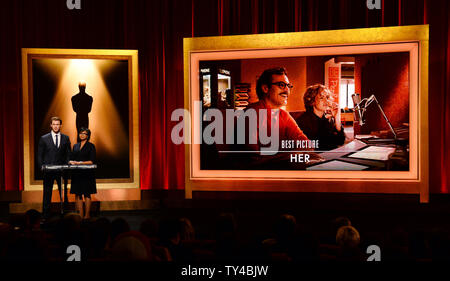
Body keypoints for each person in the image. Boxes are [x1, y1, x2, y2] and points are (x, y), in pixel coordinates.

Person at [37, 117, 71, 220]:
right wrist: (41, 166)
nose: (56, 126)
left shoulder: (65, 138)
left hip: (61, 170)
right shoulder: (44, 138)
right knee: (47, 193)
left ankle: (64, 214)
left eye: (58, 124)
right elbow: (40, 155)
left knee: (63, 193)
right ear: (51, 125)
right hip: (48, 170)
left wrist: (67, 164)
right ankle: (46, 215)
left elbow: (68, 154)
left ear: (60, 125)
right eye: (54, 124)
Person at [296, 84, 346, 150]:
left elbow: (340, 141)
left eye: (327, 97)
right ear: (312, 101)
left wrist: (337, 118)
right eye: (321, 98)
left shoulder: (329, 119)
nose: (326, 101)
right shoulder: (302, 121)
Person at [69, 128, 97, 219]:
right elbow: (73, 158)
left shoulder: (91, 146)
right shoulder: (75, 146)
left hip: (87, 173)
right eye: (80, 133)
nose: (82, 135)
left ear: (88, 136)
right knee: (78, 194)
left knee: (87, 193)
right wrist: (71, 161)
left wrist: (80, 163)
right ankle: (80, 215)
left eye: (84, 133)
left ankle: (87, 215)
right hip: (77, 173)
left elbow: (91, 161)